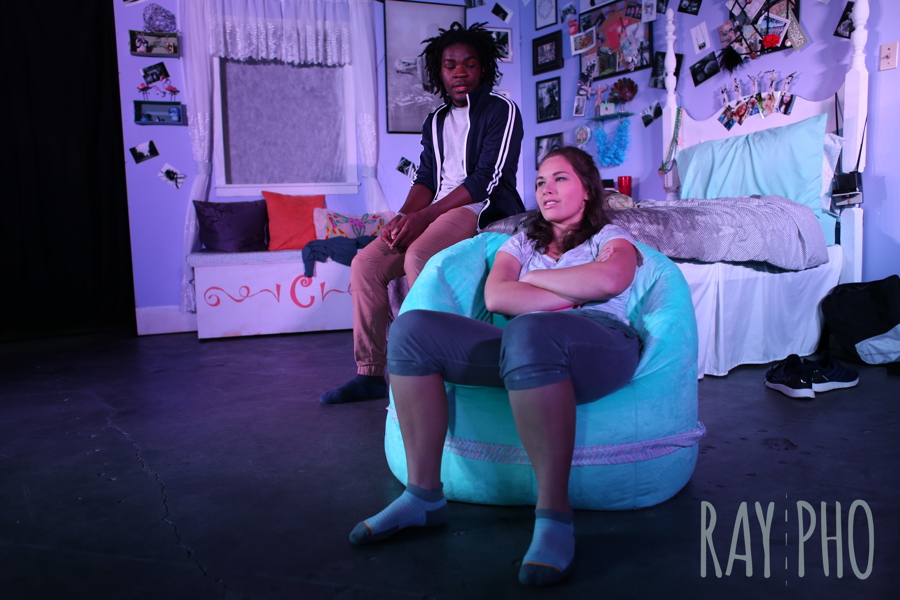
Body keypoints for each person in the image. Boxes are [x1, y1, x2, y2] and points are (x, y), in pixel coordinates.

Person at [348, 147, 642, 586]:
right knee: (411, 329)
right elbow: (497, 296)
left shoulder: (609, 236)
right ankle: (423, 497)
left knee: (530, 329)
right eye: (540, 182)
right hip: (525, 346)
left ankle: (555, 517)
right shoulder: (521, 240)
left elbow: (610, 279)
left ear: (587, 189)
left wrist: (533, 281)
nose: (546, 189)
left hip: (601, 343)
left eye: (560, 178)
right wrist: (571, 290)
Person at [320, 22, 525, 404]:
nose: (460, 72)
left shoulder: (502, 110)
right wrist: (402, 218)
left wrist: (425, 217)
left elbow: (487, 178)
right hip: (436, 208)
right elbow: (426, 179)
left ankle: (435, 366)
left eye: (469, 64)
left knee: (418, 255)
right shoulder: (435, 121)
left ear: (483, 68)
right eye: (450, 65)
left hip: (479, 206)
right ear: (439, 72)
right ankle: (370, 373)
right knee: (365, 264)